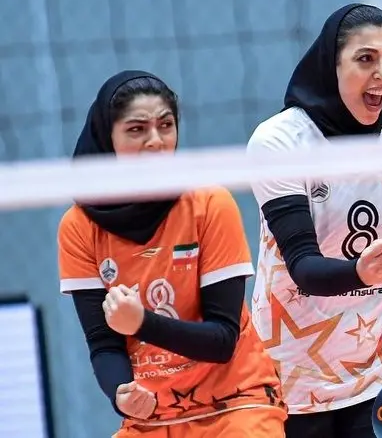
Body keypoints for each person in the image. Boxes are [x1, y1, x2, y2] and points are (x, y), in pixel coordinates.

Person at [246, 4, 382, 438]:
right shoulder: (280, 140)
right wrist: (360, 272)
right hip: (294, 373)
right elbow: (305, 269)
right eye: (366, 59)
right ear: (333, 64)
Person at [58, 70, 287, 438]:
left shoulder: (209, 203)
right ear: (107, 138)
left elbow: (222, 340)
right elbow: (104, 343)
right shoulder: (79, 226)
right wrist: (121, 394)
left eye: (165, 125)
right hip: (152, 417)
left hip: (237, 403)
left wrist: (141, 322)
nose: (156, 141)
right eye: (137, 129)